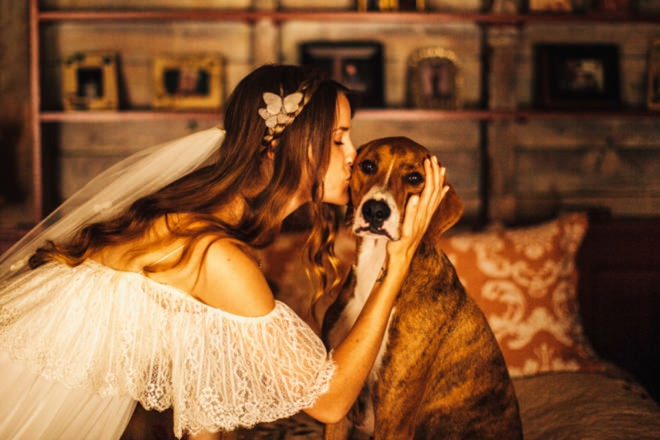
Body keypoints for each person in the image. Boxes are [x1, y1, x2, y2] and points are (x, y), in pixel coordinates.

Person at [0, 64, 448, 439]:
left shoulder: (209, 224)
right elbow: (331, 403)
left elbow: (203, 399)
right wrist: (398, 264)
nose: (353, 156)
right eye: (338, 139)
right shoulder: (217, 256)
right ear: (278, 146)